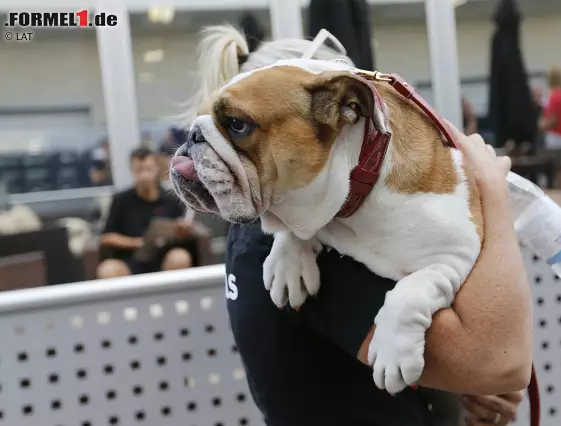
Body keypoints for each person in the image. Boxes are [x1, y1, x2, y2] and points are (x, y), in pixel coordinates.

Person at [194, 26, 532, 426]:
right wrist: (493, 190)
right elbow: (500, 363)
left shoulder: (306, 221)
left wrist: (464, 393)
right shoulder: (294, 236)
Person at [97, 147, 193, 278]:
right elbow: (107, 237)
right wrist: (139, 242)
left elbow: (182, 232)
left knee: (180, 257)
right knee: (108, 269)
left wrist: (182, 230)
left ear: (156, 169)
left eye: (148, 169)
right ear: (132, 171)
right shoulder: (121, 200)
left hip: (163, 256)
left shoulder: (171, 199)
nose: (144, 175)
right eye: (139, 170)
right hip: (130, 259)